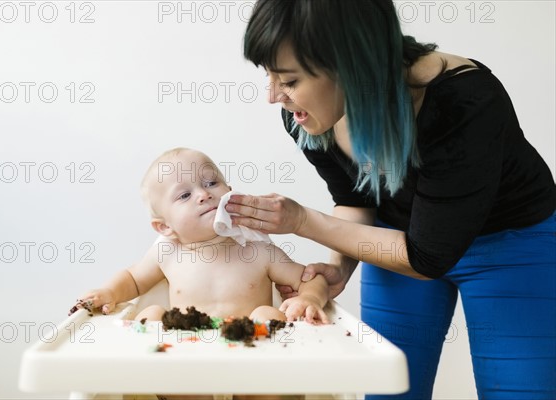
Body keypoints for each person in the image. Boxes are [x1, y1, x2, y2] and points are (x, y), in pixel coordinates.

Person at [226, 1, 556, 399]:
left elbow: (427, 257)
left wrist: (300, 221)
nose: (273, 96)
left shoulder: (464, 102)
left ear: (351, 65)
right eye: (270, 76)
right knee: (389, 391)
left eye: (290, 81)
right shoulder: (308, 117)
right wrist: (336, 272)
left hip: (511, 243)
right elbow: (354, 199)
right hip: (398, 239)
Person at [76, 147, 329, 327]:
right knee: (151, 315)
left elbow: (310, 277)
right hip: (188, 357)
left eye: (211, 183)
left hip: (249, 351)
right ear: (165, 227)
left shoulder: (257, 249)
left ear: (230, 192)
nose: (203, 194)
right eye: (184, 195)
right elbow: (132, 279)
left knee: (268, 315)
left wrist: (309, 297)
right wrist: (109, 292)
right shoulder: (168, 252)